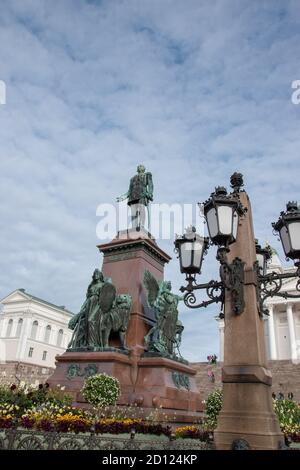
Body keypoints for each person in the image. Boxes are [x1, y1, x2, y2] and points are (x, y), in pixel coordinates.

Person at [117, 164, 153, 230]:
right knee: (133, 213)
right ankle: (134, 227)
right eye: (139, 166)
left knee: (141, 209)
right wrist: (122, 197)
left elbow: (150, 185)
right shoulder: (132, 179)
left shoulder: (147, 175)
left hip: (142, 194)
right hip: (132, 196)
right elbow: (129, 191)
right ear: (137, 169)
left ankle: (142, 225)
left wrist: (149, 194)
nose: (140, 167)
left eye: (141, 166)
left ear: (144, 169)